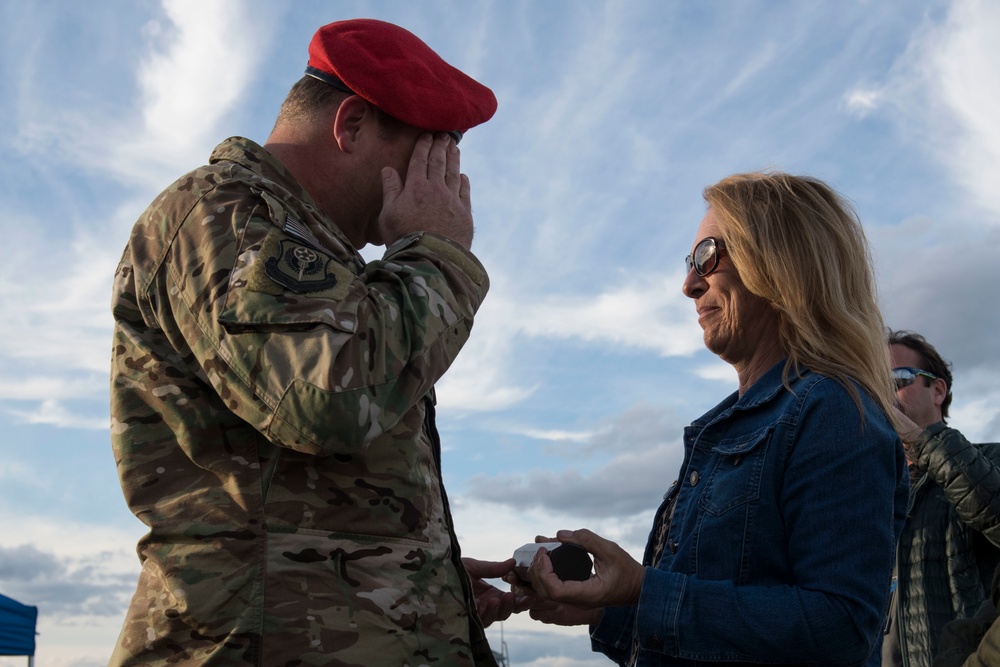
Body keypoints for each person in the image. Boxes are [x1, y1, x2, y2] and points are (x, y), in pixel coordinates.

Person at [109, 18, 502, 666]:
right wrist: (437, 256)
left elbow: (316, 494)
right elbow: (328, 399)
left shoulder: (319, 255)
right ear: (349, 126)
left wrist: (431, 577)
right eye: (425, 157)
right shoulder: (223, 214)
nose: (439, 185)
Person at [508, 171, 909, 666]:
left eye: (707, 257)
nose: (688, 284)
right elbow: (711, 627)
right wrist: (602, 607)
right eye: (690, 262)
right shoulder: (729, 426)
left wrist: (643, 590)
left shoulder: (832, 410)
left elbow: (840, 625)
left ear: (780, 263)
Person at [882, 330, 1000, 667]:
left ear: (938, 390)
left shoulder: (990, 460)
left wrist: (919, 440)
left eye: (896, 380)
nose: (882, 394)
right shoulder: (868, 492)